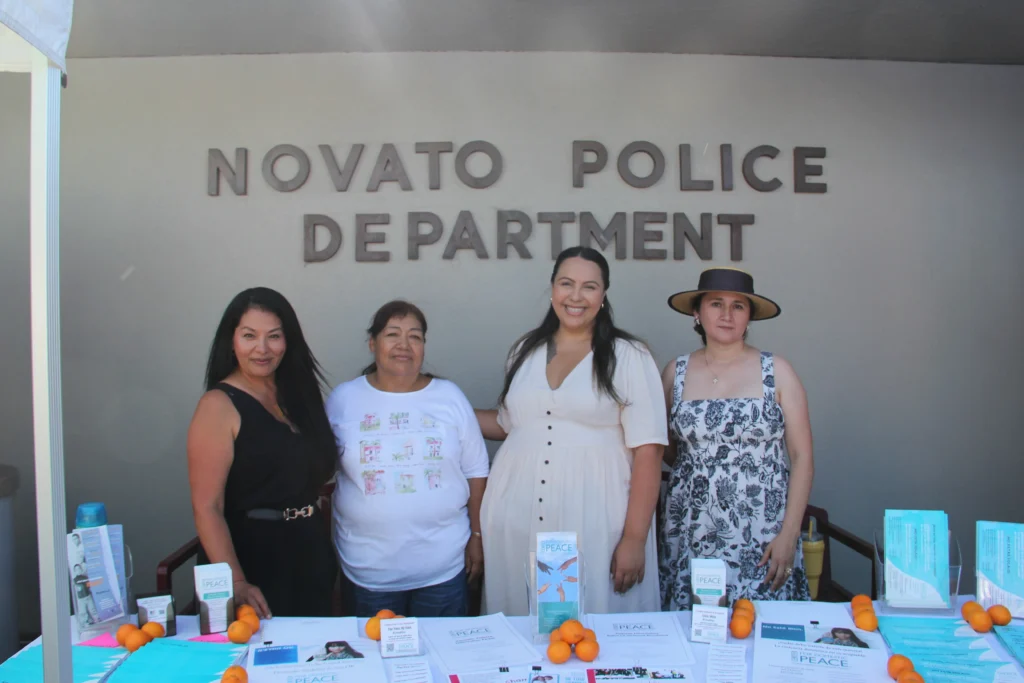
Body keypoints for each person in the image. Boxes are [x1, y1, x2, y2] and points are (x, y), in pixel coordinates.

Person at [476, 246, 668, 615]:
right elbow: (507, 423)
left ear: (604, 294)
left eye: (589, 286)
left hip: (595, 516)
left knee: (592, 625)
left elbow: (650, 451)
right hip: (516, 514)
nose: (576, 296)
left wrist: (634, 538)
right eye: (567, 283)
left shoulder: (629, 355)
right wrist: (439, 407)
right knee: (523, 624)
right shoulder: (523, 350)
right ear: (552, 289)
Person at [658, 268, 813, 610]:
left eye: (738, 306)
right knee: (694, 631)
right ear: (697, 314)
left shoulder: (778, 371)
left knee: (760, 628)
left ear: (749, 317)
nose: (726, 315)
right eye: (716, 304)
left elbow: (801, 458)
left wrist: (789, 535)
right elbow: (667, 449)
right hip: (692, 528)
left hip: (762, 530)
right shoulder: (675, 373)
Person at [327, 300, 489, 618]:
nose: (404, 345)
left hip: (442, 570)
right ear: (372, 343)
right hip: (368, 573)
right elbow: (320, 467)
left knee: (441, 660)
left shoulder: (449, 397)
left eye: (415, 336)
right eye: (393, 334)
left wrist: (477, 536)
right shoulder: (344, 400)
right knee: (375, 664)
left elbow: (476, 468)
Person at [187, 287, 338, 619]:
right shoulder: (218, 406)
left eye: (274, 336)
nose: (262, 348)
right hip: (252, 561)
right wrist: (236, 582)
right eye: (249, 336)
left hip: (309, 553)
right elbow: (207, 507)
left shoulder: (297, 396)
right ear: (231, 340)